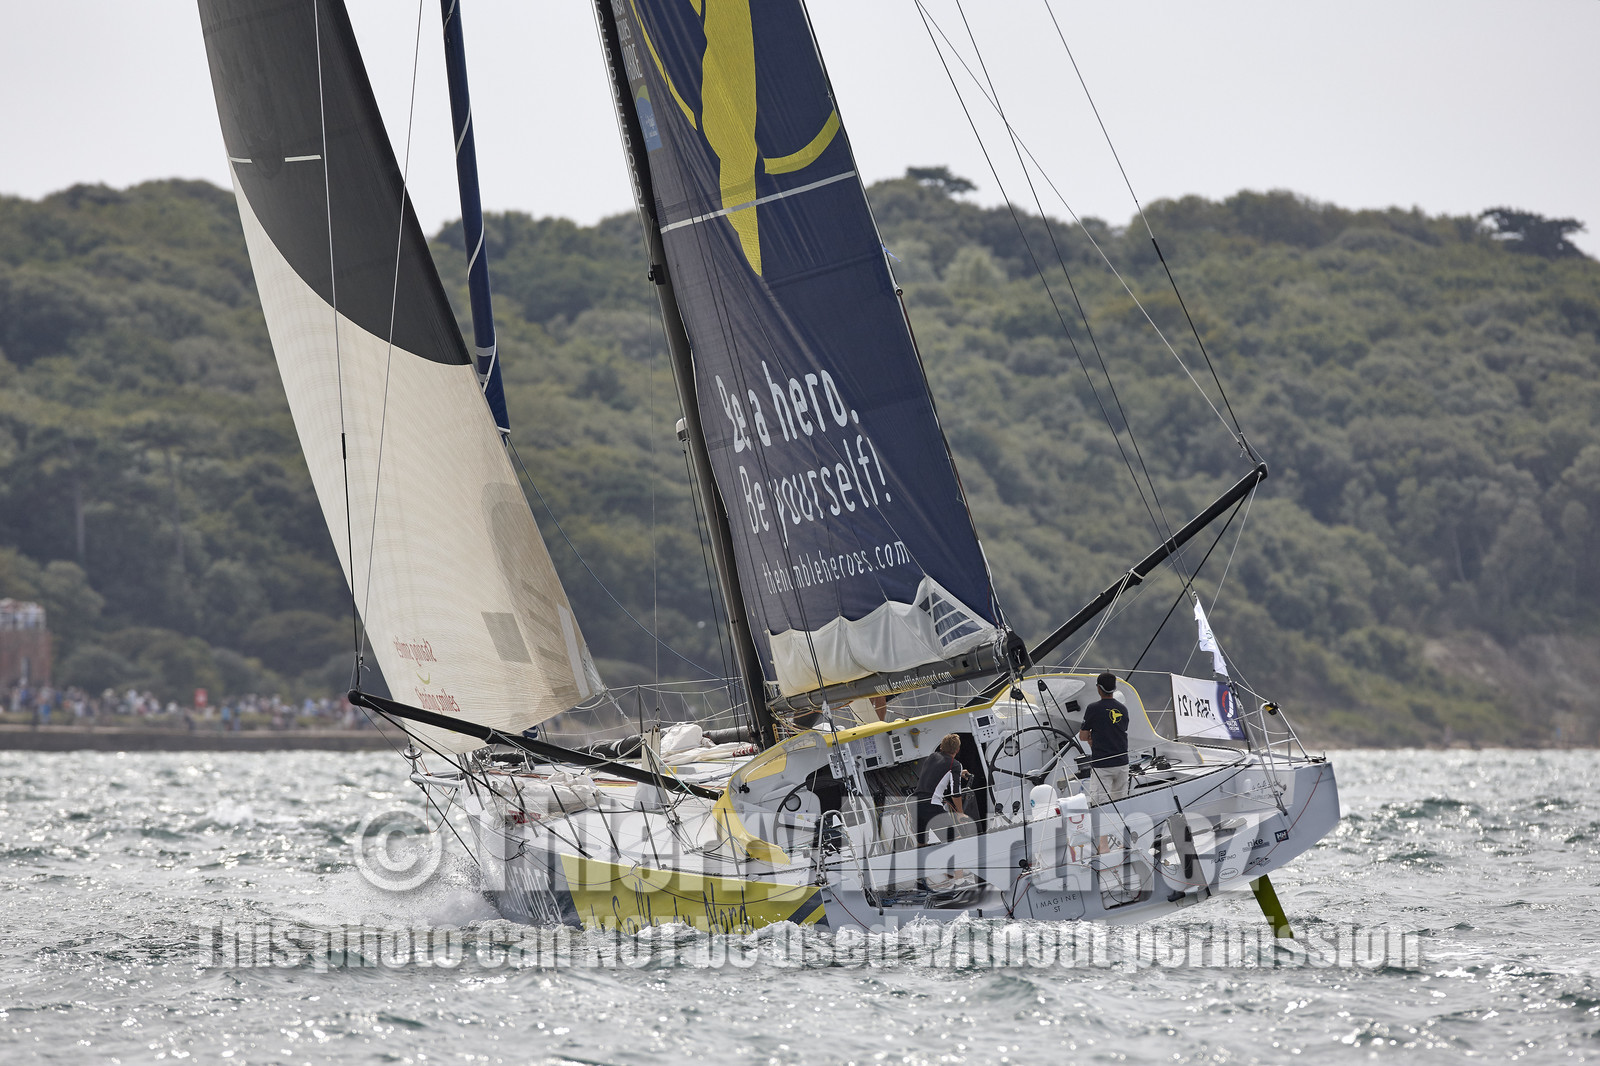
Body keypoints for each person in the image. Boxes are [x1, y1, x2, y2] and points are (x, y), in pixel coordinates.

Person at [1078, 672, 1130, 804]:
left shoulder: (1093, 708)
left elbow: (1082, 736)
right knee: (1120, 803)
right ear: (1114, 689)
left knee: (1100, 805)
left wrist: (1091, 737)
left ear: (1099, 688)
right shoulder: (1123, 709)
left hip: (1103, 765)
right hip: (1122, 764)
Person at [914, 733, 969, 843]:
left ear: (941, 747)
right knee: (954, 840)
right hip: (932, 806)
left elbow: (935, 772)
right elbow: (955, 793)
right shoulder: (955, 765)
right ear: (957, 750)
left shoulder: (931, 757)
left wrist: (958, 774)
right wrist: (960, 813)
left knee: (921, 843)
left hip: (915, 805)